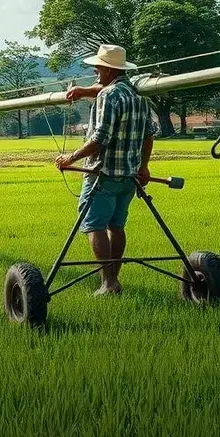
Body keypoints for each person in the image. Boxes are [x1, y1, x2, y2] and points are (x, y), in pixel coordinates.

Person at [54, 44, 157, 296]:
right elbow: (148, 135)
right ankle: (113, 279)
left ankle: (109, 283)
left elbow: (101, 137)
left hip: (103, 175)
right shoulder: (138, 97)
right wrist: (144, 165)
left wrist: (71, 157)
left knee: (94, 225)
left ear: (108, 70)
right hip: (129, 177)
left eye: (98, 68)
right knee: (117, 225)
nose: (96, 73)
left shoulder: (107, 97)